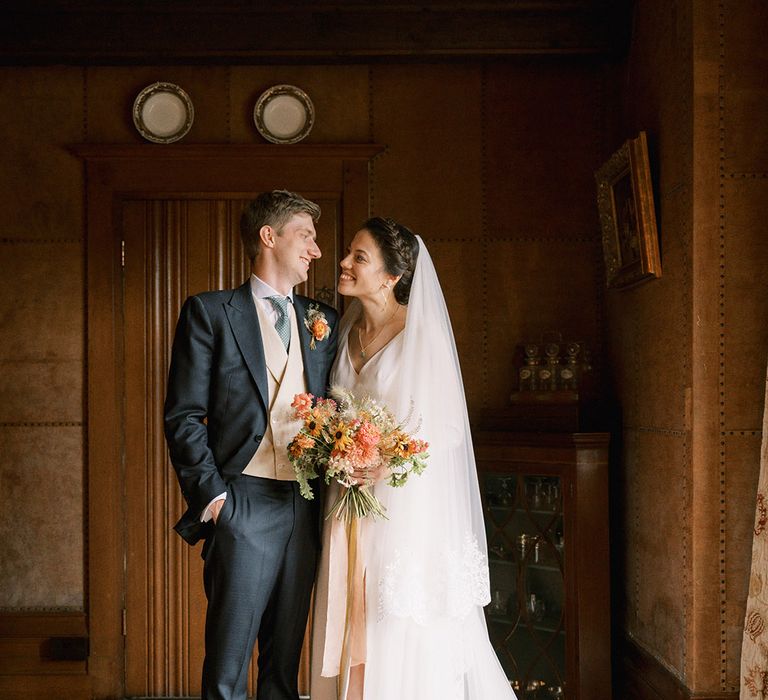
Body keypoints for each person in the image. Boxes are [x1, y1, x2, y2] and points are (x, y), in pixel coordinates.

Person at [310, 218, 516, 699]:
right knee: (347, 608)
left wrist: (387, 464)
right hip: (347, 500)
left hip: (404, 509)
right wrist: (335, 450)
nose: (343, 263)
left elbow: (443, 431)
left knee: (394, 617)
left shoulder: (420, 335)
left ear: (390, 277)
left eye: (358, 257)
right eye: (348, 253)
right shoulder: (344, 330)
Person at [164, 190, 338, 700]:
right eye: (305, 235)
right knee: (227, 667)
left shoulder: (320, 320)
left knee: (284, 666)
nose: (316, 250)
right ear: (270, 237)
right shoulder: (211, 312)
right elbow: (183, 415)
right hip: (242, 501)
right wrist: (215, 499)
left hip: (305, 506)